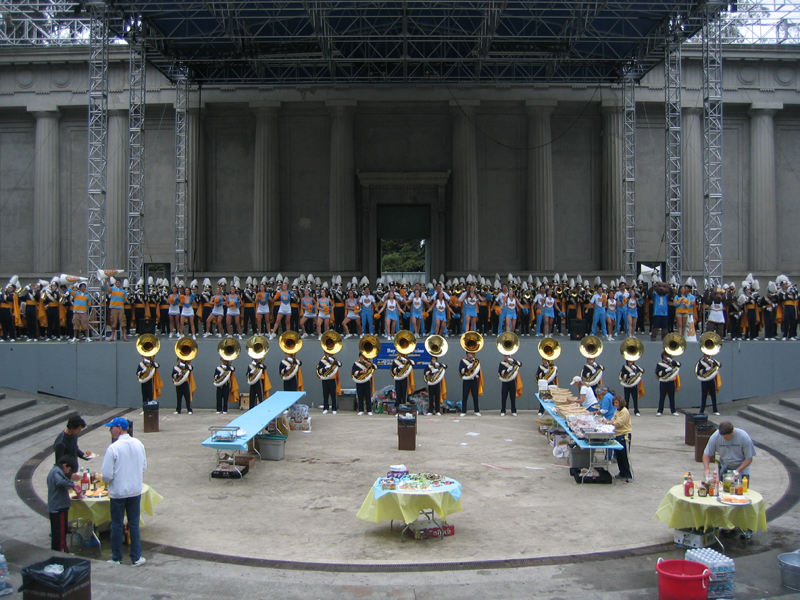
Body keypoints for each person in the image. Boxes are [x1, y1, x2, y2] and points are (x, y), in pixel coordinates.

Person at [101, 417, 147, 566]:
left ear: (119, 428)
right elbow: (144, 466)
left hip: (118, 492)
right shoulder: (138, 444)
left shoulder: (113, 448)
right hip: (135, 490)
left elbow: (107, 474)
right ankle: (136, 556)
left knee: (117, 523)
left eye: (112, 427)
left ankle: (116, 557)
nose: (110, 430)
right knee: (133, 523)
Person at [702, 421, 757, 539]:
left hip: (741, 468)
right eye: (723, 437)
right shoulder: (716, 436)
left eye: (727, 437)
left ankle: (746, 527)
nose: (725, 439)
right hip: (725, 468)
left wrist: (737, 471)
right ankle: (728, 525)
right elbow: (706, 454)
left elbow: (749, 458)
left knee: (741, 498)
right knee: (724, 497)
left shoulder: (743, 437)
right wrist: (706, 469)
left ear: (733, 432)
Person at [47, 454, 82, 553]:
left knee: (57, 533)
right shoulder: (57, 472)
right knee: (60, 532)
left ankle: (58, 551)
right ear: (65, 465)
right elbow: (60, 481)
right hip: (59, 507)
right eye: (69, 469)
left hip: (56, 506)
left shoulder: (55, 471)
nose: (68, 471)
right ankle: (62, 551)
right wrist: (72, 484)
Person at [607, 396, 633, 483]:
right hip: (617, 434)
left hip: (624, 435)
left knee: (625, 456)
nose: (615, 404)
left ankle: (629, 475)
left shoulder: (624, 411)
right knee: (619, 455)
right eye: (614, 403)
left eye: (617, 403)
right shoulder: (617, 411)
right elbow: (613, 419)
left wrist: (609, 422)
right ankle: (622, 472)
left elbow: (619, 423)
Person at [655, 350, 681, 416]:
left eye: (668, 355)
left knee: (672, 397)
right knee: (662, 396)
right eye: (665, 355)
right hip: (663, 382)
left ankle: (673, 410)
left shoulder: (672, 363)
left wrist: (671, 361)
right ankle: (660, 411)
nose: (666, 357)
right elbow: (658, 373)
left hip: (671, 382)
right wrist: (665, 371)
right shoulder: (659, 364)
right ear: (663, 356)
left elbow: (679, 364)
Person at [459, 351, 482, 417]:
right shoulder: (463, 361)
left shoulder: (475, 361)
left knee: (475, 396)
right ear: (467, 354)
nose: (471, 355)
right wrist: (467, 368)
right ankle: (463, 411)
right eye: (469, 354)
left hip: (474, 380)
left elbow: (478, 370)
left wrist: (477, 375)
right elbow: (461, 370)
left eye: (472, 353)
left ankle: (476, 411)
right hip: (466, 380)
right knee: (465, 396)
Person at [105, 278, 128, 342]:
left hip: (121, 308)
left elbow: (125, 300)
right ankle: (112, 336)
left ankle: (124, 336)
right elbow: (105, 287)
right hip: (113, 308)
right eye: (117, 283)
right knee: (113, 322)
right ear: (115, 283)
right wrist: (106, 279)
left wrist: (120, 302)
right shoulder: (112, 289)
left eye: (119, 283)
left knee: (123, 322)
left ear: (120, 284)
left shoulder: (123, 291)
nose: (118, 284)